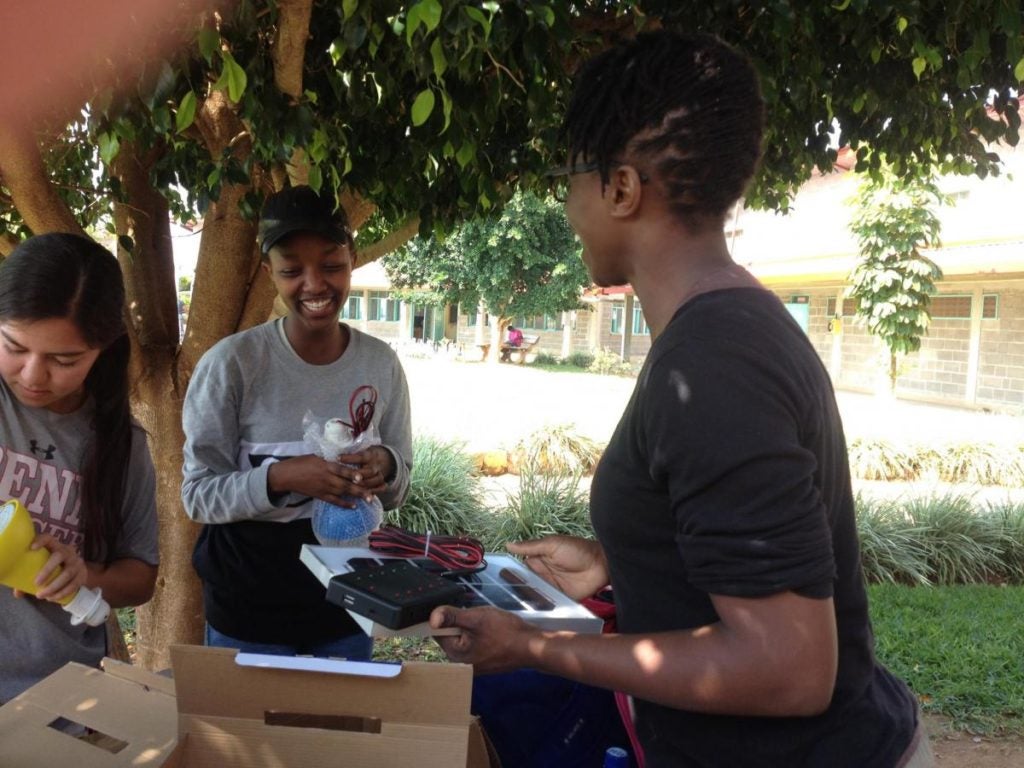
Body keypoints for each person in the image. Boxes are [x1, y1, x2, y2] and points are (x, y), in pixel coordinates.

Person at [430, 30, 932, 767]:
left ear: (622, 188)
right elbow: (729, 553)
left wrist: (533, 646)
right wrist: (623, 562)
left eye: (572, 178)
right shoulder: (723, 329)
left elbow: (789, 669)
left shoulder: (714, 363)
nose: (567, 206)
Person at [182, 185, 412, 660]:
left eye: (331, 265)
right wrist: (281, 477)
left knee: (334, 733)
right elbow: (197, 495)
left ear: (351, 260)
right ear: (270, 273)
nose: (314, 284)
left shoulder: (380, 364)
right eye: (291, 269)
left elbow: (398, 485)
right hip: (247, 611)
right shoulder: (232, 365)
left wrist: (384, 467)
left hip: (348, 606)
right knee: (248, 737)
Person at [0, 233, 159, 703]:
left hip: (61, 693)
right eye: (14, 346)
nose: (33, 375)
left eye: (63, 360)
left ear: (102, 350)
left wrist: (83, 574)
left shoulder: (120, 445)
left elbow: (140, 579)